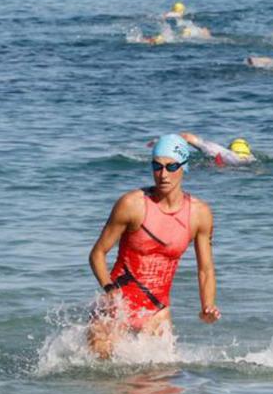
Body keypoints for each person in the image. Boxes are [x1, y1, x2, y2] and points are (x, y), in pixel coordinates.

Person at [87, 134, 220, 359]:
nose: (163, 174)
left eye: (171, 166)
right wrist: (110, 290)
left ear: (184, 167)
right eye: (157, 167)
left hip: (157, 313)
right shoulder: (132, 204)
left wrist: (207, 305)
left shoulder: (199, 214)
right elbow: (97, 254)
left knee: (163, 387)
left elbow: (205, 269)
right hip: (115, 310)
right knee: (104, 383)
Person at [180, 131, 255, 167]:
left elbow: (187, 136)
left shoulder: (220, 151)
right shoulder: (251, 159)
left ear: (230, 148)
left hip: (224, 163)